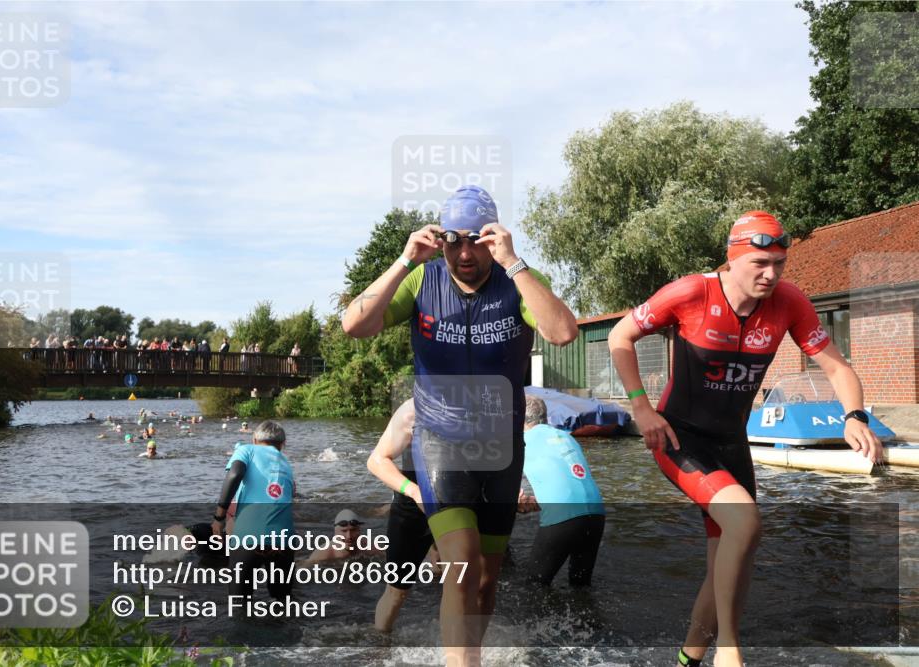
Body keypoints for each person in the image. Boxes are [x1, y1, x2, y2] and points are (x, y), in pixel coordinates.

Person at [607, 210, 884, 667]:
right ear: (731, 260)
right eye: (759, 263)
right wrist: (641, 407)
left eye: (779, 263)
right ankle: (730, 651)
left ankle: (688, 658)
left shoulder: (790, 303)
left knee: (730, 558)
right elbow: (621, 334)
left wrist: (854, 416)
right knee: (746, 524)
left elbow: (836, 367)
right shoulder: (692, 292)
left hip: (732, 444)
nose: (771, 274)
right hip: (681, 439)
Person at [342, 185, 578, 665]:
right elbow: (354, 324)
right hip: (440, 443)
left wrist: (513, 263)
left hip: (502, 449)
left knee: (487, 578)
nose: (465, 253)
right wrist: (405, 260)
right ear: (440, 239)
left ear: (493, 238)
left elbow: (563, 332)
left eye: (477, 240)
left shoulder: (519, 280)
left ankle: (468, 653)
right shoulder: (421, 280)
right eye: (454, 241)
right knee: (462, 562)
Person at [365, 398, 448, 633]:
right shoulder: (414, 408)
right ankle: (380, 645)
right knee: (397, 589)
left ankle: (458, 651)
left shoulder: (482, 405)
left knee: (463, 581)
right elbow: (376, 460)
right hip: (414, 506)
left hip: (460, 505)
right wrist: (413, 491)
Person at [520, 395, 605, 587]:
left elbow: (514, 494)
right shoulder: (566, 436)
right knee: (580, 586)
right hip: (596, 513)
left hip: (564, 514)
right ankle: (586, 618)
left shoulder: (521, 441)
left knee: (534, 586)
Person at [211, 421, 295, 603]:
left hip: (249, 536)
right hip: (283, 540)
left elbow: (234, 474)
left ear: (255, 439)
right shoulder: (287, 463)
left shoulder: (247, 449)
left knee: (239, 604)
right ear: (283, 444)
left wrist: (219, 517)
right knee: (282, 604)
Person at [299, 509, 383, 567]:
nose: (349, 536)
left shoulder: (368, 547)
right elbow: (301, 570)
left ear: (359, 531)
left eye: (353, 530)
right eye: (344, 531)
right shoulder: (323, 553)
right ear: (335, 533)